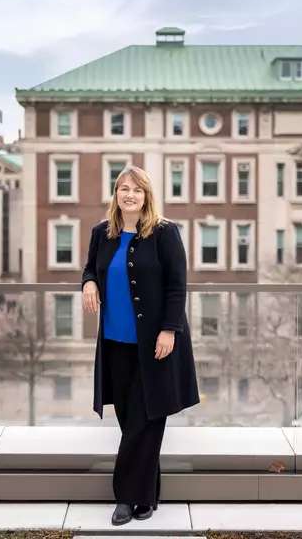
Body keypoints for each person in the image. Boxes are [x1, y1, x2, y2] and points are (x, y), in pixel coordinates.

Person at [81, 165, 200, 526]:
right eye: (123, 189)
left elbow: (177, 286)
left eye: (136, 190)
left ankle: (126, 498)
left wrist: (169, 330)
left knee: (145, 422)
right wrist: (88, 283)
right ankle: (147, 495)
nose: (129, 195)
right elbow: (90, 269)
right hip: (116, 343)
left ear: (147, 196)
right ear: (115, 195)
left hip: (156, 346)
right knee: (130, 421)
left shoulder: (165, 234)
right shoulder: (102, 233)